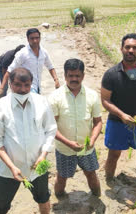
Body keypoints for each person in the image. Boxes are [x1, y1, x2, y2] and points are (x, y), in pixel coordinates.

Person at [0, 68, 57, 214]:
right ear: (10, 84)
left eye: (27, 85)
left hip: (37, 167)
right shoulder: (0, 108)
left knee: (43, 198)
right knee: (0, 206)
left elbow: (50, 130)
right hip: (9, 170)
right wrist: (12, 167)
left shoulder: (41, 102)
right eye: (17, 85)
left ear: (32, 84)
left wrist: (43, 155)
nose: (22, 89)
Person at [101, 33, 136, 181]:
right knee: (113, 155)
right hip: (117, 122)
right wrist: (122, 115)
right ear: (121, 49)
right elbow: (105, 100)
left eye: (134, 47)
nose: (130, 50)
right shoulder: (111, 74)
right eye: (127, 47)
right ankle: (109, 180)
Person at [48, 58, 102, 197]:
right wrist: (68, 143)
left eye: (77, 75)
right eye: (70, 75)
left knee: (91, 174)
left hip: (87, 148)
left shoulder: (92, 95)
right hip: (65, 149)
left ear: (83, 76)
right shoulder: (55, 97)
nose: (74, 79)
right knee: (61, 177)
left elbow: (98, 122)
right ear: (65, 76)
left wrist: (93, 140)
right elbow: (50, 126)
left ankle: (97, 198)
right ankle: (60, 201)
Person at [0, 28, 60, 99]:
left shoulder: (44, 52)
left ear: (40, 38)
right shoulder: (22, 53)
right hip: (27, 88)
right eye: (32, 38)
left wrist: (56, 80)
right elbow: (9, 70)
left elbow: (50, 67)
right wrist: (2, 88)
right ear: (27, 39)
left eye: (37, 38)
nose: (35, 41)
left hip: (38, 86)